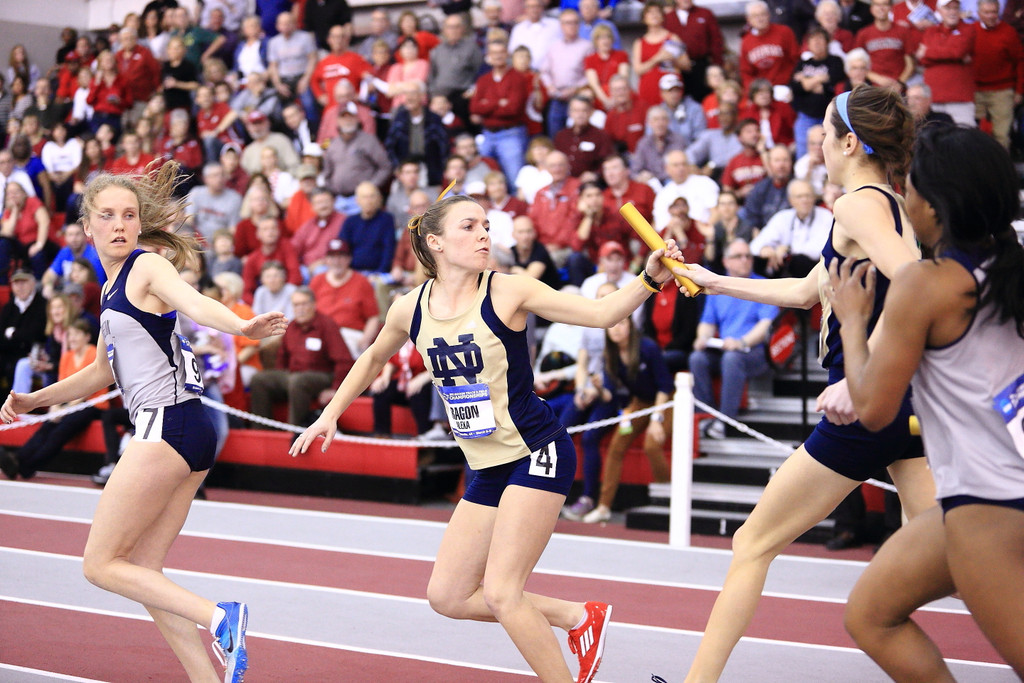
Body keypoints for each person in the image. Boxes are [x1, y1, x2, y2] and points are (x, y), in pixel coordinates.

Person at [290, 183, 685, 683]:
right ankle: (575, 617)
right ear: (435, 242)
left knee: (501, 592)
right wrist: (331, 414)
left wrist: (648, 278)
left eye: (486, 226)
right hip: (488, 464)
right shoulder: (408, 307)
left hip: (536, 449)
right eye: (470, 226)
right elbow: (372, 356)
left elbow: (602, 315)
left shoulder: (508, 290)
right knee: (448, 596)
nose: (484, 235)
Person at [672, 85, 937, 683]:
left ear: (849, 141)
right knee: (962, 557)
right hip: (904, 403)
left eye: (822, 130)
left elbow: (917, 284)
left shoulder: (855, 206)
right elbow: (800, 292)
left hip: (869, 401)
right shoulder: (883, 204)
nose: (815, 140)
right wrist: (711, 280)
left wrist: (862, 371)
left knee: (751, 544)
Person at [0, 162, 288, 682]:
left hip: (168, 426)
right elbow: (97, 375)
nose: (119, 224)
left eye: (128, 215)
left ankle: (221, 617)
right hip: (189, 430)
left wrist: (242, 326)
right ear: (86, 226)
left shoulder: (146, 267)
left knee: (99, 564)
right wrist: (30, 400)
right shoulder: (111, 292)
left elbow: (197, 305)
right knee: (142, 572)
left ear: (138, 225)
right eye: (107, 215)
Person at [828, 124, 1024, 679]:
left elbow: (872, 410)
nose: (902, 198)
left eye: (909, 187)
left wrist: (853, 322)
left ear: (937, 206)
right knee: (870, 614)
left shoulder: (927, 284)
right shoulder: (1010, 264)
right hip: (974, 501)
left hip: (990, 509)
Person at [689, 238, 776, 439]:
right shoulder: (717, 287)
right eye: (738, 256)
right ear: (726, 261)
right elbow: (708, 323)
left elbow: (766, 325)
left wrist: (742, 343)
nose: (745, 260)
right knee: (697, 358)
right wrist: (702, 337)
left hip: (756, 352)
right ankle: (705, 416)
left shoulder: (763, 285)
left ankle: (725, 421)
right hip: (726, 349)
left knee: (732, 358)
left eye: (748, 256)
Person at [250, 285, 353, 427]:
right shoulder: (291, 327)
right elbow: (282, 357)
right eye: (296, 305)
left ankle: (294, 432)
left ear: (313, 304)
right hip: (293, 375)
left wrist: (335, 389)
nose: (300, 308)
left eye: (304, 304)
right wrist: (279, 380)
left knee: (298, 381)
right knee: (259, 379)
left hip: (322, 375)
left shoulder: (327, 325)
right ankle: (262, 430)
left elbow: (344, 360)